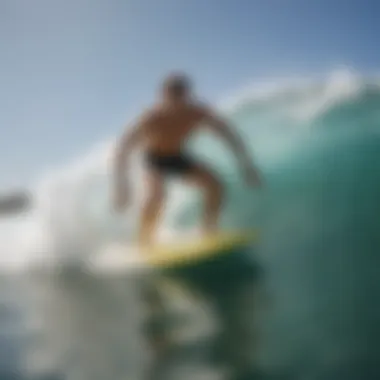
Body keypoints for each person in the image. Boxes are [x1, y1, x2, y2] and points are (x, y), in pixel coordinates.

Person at [113, 73, 261, 244]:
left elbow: (230, 136)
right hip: (153, 159)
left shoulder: (197, 113)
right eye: (171, 95)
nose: (176, 101)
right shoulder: (152, 118)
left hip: (177, 157)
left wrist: (247, 166)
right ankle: (145, 240)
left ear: (187, 95)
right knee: (157, 196)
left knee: (215, 186)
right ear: (163, 96)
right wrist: (121, 186)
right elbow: (123, 148)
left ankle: (208, 231)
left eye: (180, 95)